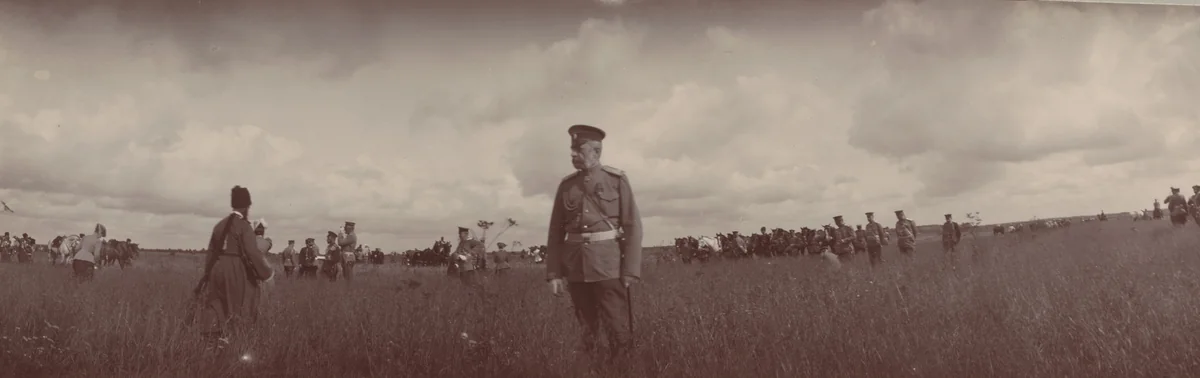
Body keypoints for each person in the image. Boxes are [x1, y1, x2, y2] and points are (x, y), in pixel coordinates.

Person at [546, 124, 643, 363]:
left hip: (608, 266)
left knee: (617, 327)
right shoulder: (566, 186)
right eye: (572, 149)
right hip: (576, 268)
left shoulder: (616, 180)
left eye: (579, 149)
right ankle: (594, 369)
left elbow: (632, 226)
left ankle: (621, 370)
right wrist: (554, 273)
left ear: (596, 152)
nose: (573, 154)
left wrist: (630, 270)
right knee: (586, 329)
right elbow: (555, 233)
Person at [195, 186, 274, 343]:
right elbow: (252, 253)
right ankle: (232, 342)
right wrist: (267, 274)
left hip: (216, 269)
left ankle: (212, 341)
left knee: (216, 305)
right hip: (234, 270)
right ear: (246, 206)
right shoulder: (244, 226)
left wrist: (208, 274)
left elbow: (211, 253)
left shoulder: (219, 225)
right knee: (235, 307)